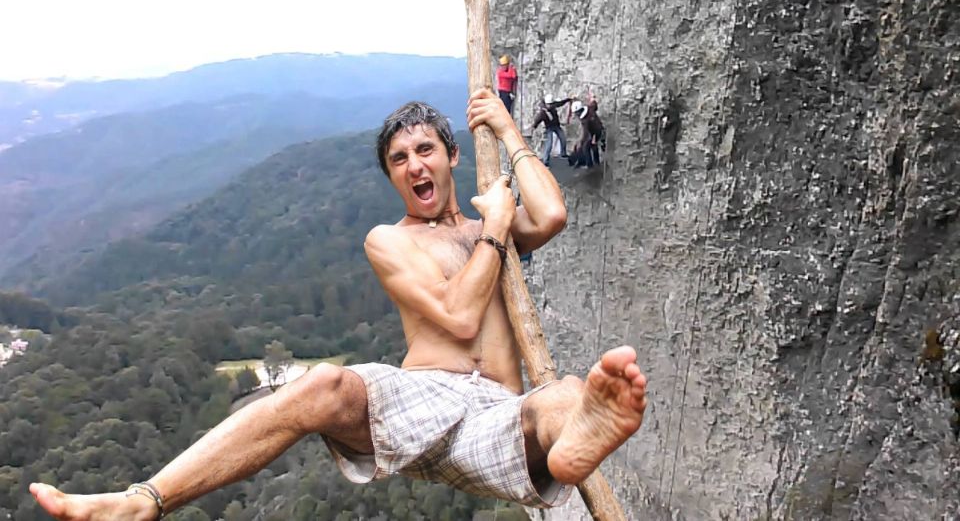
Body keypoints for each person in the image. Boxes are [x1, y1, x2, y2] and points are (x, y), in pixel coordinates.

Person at [29, 90, 647, 520]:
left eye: (426, 150)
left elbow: (553, 212)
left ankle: (566, 447)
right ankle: (144, 501)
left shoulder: (490, 225)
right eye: (399, 160)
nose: (414, 166)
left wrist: (509, 132)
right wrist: (497, 226)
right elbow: (459, 316)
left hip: (494, 415)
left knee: (564, 397)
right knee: (321, 385)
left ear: (452, 155)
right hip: (421, 398)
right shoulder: (392, 240)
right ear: (391, 177)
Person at [531, 94, 573, 165]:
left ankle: (563, 154)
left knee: (563, 138)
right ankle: (545, 160)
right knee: (549, 144)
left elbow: (560, 103)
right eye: (549, 105)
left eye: (551, 104)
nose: (550, 106)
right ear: (546, 104)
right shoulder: (543, 112)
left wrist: (568, 99)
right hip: (549, 128)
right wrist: (533, 127)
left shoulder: (553, 105)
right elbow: (537, 120)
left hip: (556, 126)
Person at [570, 98, 605, 168]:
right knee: (594, 146)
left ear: (579, 111)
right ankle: (597, 163)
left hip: (595, 133)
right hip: (600, 129)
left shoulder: (584, 120)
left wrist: (580, 142)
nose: (575, 115)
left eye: (576, 113)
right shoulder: (590, 108)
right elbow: (594, 105)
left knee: (586, 147)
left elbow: (585, 133)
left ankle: (590, 165)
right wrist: (593, 99)